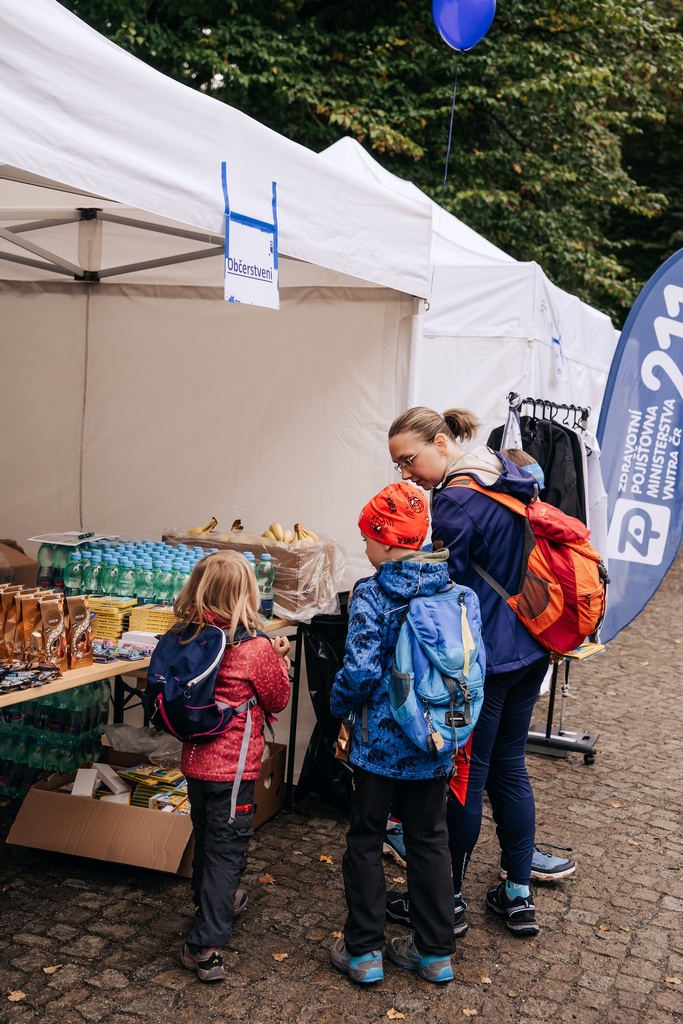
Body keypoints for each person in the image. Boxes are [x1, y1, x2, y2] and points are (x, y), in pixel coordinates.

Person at [387, 407, 551, 938]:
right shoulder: (506, 471)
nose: (406, 473)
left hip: (489, 656)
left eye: (409, 459)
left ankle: (446, 900)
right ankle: (518, 893)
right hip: (532, 642)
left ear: (440, 443)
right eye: (398, 465)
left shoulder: (457, 499)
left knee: (467, 774)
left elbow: (441, 585)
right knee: (510, 765)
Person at [329, 482, 456, 985]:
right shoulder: (451, 588)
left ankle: (364, 953)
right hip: (433, 739)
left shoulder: (372, 592)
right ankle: (435, 953)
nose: (364, 547)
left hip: (378, 743)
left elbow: (360, 671)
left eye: (366, 538)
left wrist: (337, 704)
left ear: (384, 541)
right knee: (429, 839)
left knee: (366, 836)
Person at [176, 551, 291, 982]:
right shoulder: (255, 648)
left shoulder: (184, 635)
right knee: (227, 851)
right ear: (247, 594)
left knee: (207, 837)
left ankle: (210, 904)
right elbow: (277, 698)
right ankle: (204, 947)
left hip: (194, 761)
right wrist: (280, 661)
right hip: (233, 769)